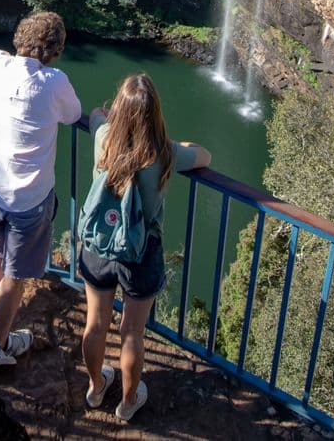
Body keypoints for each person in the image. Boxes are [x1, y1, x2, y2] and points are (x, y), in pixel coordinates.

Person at [79, 72, 211, 421]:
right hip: (140, 251)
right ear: (155, 114)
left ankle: (94, 389)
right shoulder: (165, 154)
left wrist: (107, 116)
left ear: (119, 110)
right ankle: (127, 401)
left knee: (95, 324)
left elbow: (94, 114)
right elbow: (205, 157)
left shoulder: (104, 136)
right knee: (132, 332)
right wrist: (181, 144)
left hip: (100, 245)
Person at [0, 11, 81, 366]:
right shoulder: (53, 82)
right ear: (55, 50)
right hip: (29, 202)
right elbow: (74, 114)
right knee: (14, 277)